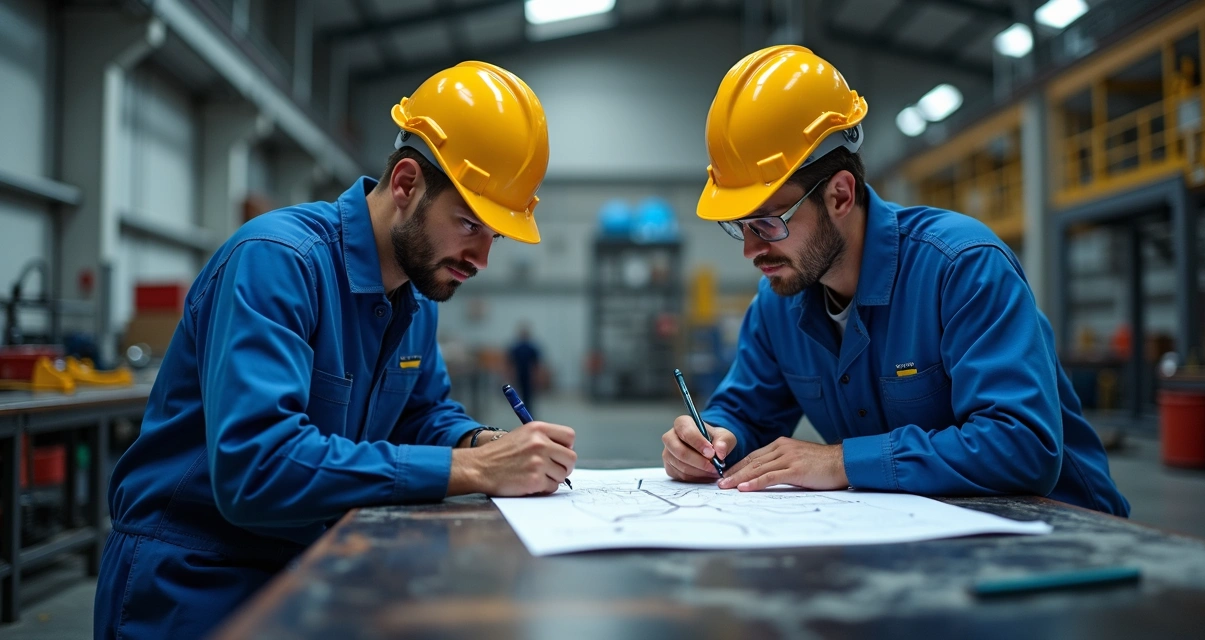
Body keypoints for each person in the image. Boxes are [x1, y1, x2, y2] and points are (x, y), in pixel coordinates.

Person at [95, 61, 577, 640]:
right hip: (193, 577)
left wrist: (481, 442)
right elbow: (257, 468)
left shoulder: (416, 295)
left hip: (306, 559)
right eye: (470, 225)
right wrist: (470, 469)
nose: (482, 259)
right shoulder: (278, 262)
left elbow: (421, 413)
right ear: (406, 185)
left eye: (493, 236)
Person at [660, 45, 1128, 516]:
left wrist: (843, 461)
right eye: (739, 227)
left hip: (1063, 532)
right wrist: (710, 439)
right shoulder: (778, 302)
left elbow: (1021, 445)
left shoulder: (962, 268)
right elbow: (744, 412)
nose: (750, 250)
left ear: (840, 196)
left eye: (767, 223)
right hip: (924, 532)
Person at [507, 322, 543, 408]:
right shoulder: (516, 348)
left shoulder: (531, 348)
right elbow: (511, 363)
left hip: (529, 375)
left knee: (529, 394)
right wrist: (510, 375)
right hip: (519, 374)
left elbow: (536, 364)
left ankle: (528, 409)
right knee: (520, 393)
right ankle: (522, 409)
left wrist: (536, 376)